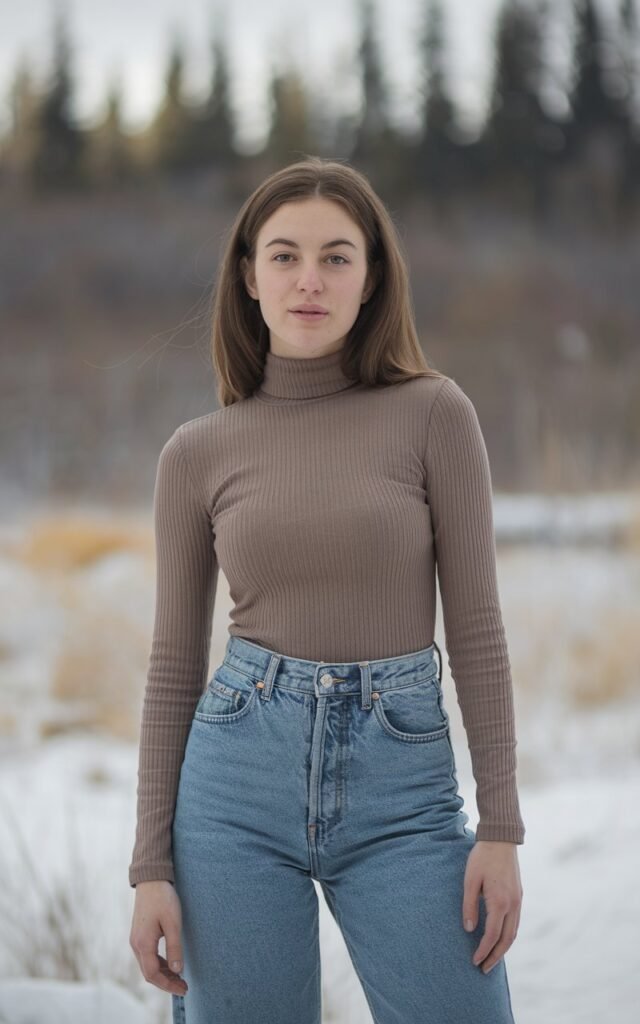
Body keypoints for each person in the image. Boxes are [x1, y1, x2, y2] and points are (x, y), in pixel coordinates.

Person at [128, 155, 525, 1024]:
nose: (309, 280)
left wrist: (501, 827)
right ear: (249, 275)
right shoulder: (196, 452)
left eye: (337, 257)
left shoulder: (435, 414)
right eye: (285, 255)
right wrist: (150, 867)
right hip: (233, 792)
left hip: (402, 794)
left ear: (372, 277)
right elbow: (172, 666)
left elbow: (478, 630)